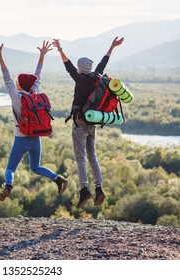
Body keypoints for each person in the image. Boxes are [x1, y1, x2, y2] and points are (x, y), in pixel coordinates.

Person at [52, 37, 124, 208]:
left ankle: (84, 190)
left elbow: (68, 66)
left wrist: (60, 49)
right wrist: (112, 47)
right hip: (93, 122)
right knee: (93, 157)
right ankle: (99, 188)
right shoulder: (97, 76)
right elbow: (103, 63)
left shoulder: (81, 79)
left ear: (80, 68)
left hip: (80, 124)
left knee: (80, 158)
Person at [0, 41, 68, 201]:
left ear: (20, 85)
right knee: (36, 167)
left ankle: (8, 187)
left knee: (10, 169)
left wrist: (0, 58)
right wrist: (42, 55)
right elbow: (38, 75)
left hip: (20, 139)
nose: (14, 82)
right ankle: (58, 179)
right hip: (36, 139)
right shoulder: (35, 93)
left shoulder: (16, 98)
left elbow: (6, 76)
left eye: (17, 82)